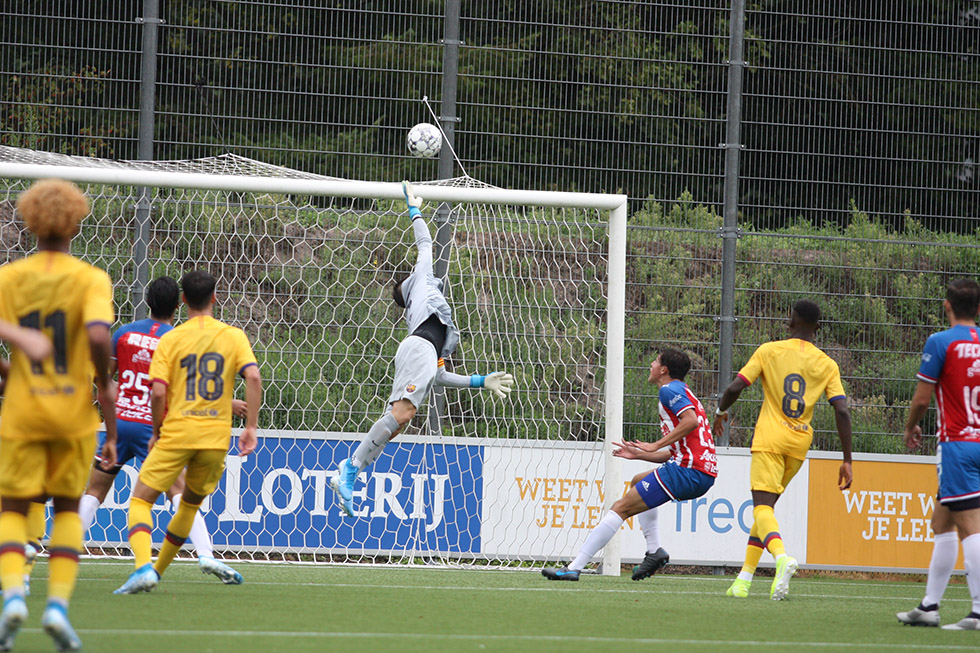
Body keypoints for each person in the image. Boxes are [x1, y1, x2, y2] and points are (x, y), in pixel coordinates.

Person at [329, 181, 515, 517]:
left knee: (398, 424)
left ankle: (351, 476)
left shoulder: (432, 316)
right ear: (410, 285)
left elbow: (439, 376)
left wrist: (479, 381)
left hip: (422, 353)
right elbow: (426, 243)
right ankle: (351, 467)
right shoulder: (423, 281)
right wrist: (414, 208)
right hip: (417, 350)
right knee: (402, 416)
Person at [0, 178, 118, 651]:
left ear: (28, 221)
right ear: (76, 221)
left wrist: (12, 366)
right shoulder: (91, 279)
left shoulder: (10, 278)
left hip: (23, 412)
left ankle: (11, 595)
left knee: (10, 507)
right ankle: (57, 607)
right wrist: (106, 405)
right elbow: (95, 337)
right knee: (67, 508)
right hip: (72, 412)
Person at [78, 275, 243, 584]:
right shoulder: (176, 339)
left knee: (96, 490)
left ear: (147, 301)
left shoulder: (125, 334)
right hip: (152, 426)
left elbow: (104, 379)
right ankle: (206, 553)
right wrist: (228, 404)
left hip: (121, 421)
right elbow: (182, 388)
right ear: (177, 304)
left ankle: (65, 550)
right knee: (180, 494)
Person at [114, 269, 261, 594]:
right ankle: (159, 570)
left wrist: (155, 431)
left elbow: (157, 392)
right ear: (214, 298)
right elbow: (253, 378)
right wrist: (250, 427)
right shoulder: (234, 336)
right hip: (214, 438)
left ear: (183, 300)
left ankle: (143, 567)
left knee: (140, 500)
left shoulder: (172, 339)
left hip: (178, 433)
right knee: (189, 506)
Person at [714, 299, 852, 600]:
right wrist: (847, 460)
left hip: (770, 439)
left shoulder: (769, 351)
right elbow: (842, 411)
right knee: (766, 512)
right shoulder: (827, 364)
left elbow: (736, 387)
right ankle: (743, 581)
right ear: (818, 328)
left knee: (762, 508)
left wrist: (720, 412)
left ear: (789, 322)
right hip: (799, 445)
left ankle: (781, 558)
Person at [542, 348, 717, 581]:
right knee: (637, 482)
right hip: (698, 471)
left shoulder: (668, 390)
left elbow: (691, 422)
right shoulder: (683, 391)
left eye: (655, 362)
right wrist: (638, 454)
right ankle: (654, 551)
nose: (651, 366)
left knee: (620, 507)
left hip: (689, 472)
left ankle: (575, 567)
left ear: (664, 370)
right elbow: (677, 451)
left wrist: (654, 445)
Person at [897, 278, 980, 630]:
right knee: (941, 522)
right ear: (978, 309)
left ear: (947, 306)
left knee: (970, 528)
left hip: (957, 445)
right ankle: (929, 605)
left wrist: (910, 426)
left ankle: (977, 612)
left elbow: (921, 399)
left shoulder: (941, 342)